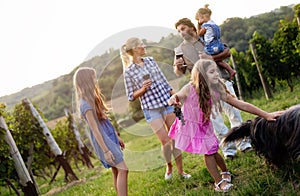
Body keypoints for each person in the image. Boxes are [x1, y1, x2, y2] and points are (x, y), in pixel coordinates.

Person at [168, 59, 283, 192]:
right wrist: (173, 99)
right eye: (212, 72)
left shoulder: (217, 90)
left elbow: (241, 104)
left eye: (216, 71)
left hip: (205, 126)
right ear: (201, 75)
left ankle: (225, 171)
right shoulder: (190, 87)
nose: (216, 74)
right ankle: (219, 183)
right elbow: (179, 95)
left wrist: (266, 115)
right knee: (209, 153)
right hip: (190, 125)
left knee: (213, 151)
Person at [173, 17, 252, 159]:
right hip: (202, 87)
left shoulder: (206, 38)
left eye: (183, 28)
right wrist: (178, 67)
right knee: (215, 119)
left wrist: (208, 59)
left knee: (234, 112)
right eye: (179, 31)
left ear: (191, 27)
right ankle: (229, 149)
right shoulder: (180, 49)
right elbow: (179, 72)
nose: (181, 33)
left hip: (221, 78)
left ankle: (244, 143)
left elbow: (227, 52)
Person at [120, 37, 191, 180]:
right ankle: (169, 166)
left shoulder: (151, 61)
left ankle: (181, 171)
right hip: (151, 109)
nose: (144, 45)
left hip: (166, 103)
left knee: (175, 138)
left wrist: (175, 97)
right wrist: (142, 89)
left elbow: (164, 82)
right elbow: (131, 96)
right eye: (141, 44)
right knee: (165, 141)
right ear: (135, 49)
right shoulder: (128, 72)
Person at [73, 67, 128, 196]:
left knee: (116, 170)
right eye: (93, 78)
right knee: (123, 170)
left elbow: (105, 120)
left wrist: (116, 136)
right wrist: (106, 151)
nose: (95, 80)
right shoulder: (85, 104)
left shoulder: (93, 98)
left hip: (109, 135)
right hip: (103, 140)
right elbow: (95, 129)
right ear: (87, 81)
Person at [195, 4, 236, 80]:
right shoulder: (214, 24)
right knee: (218, 60)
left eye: (198, 19)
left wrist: (198, 25)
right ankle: (230, 70)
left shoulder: (206, 26)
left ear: (203, 17)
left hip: (211, 47)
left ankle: (229, 70)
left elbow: (199, 34)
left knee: (205, 57)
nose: (198, 21)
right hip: (218, 45)